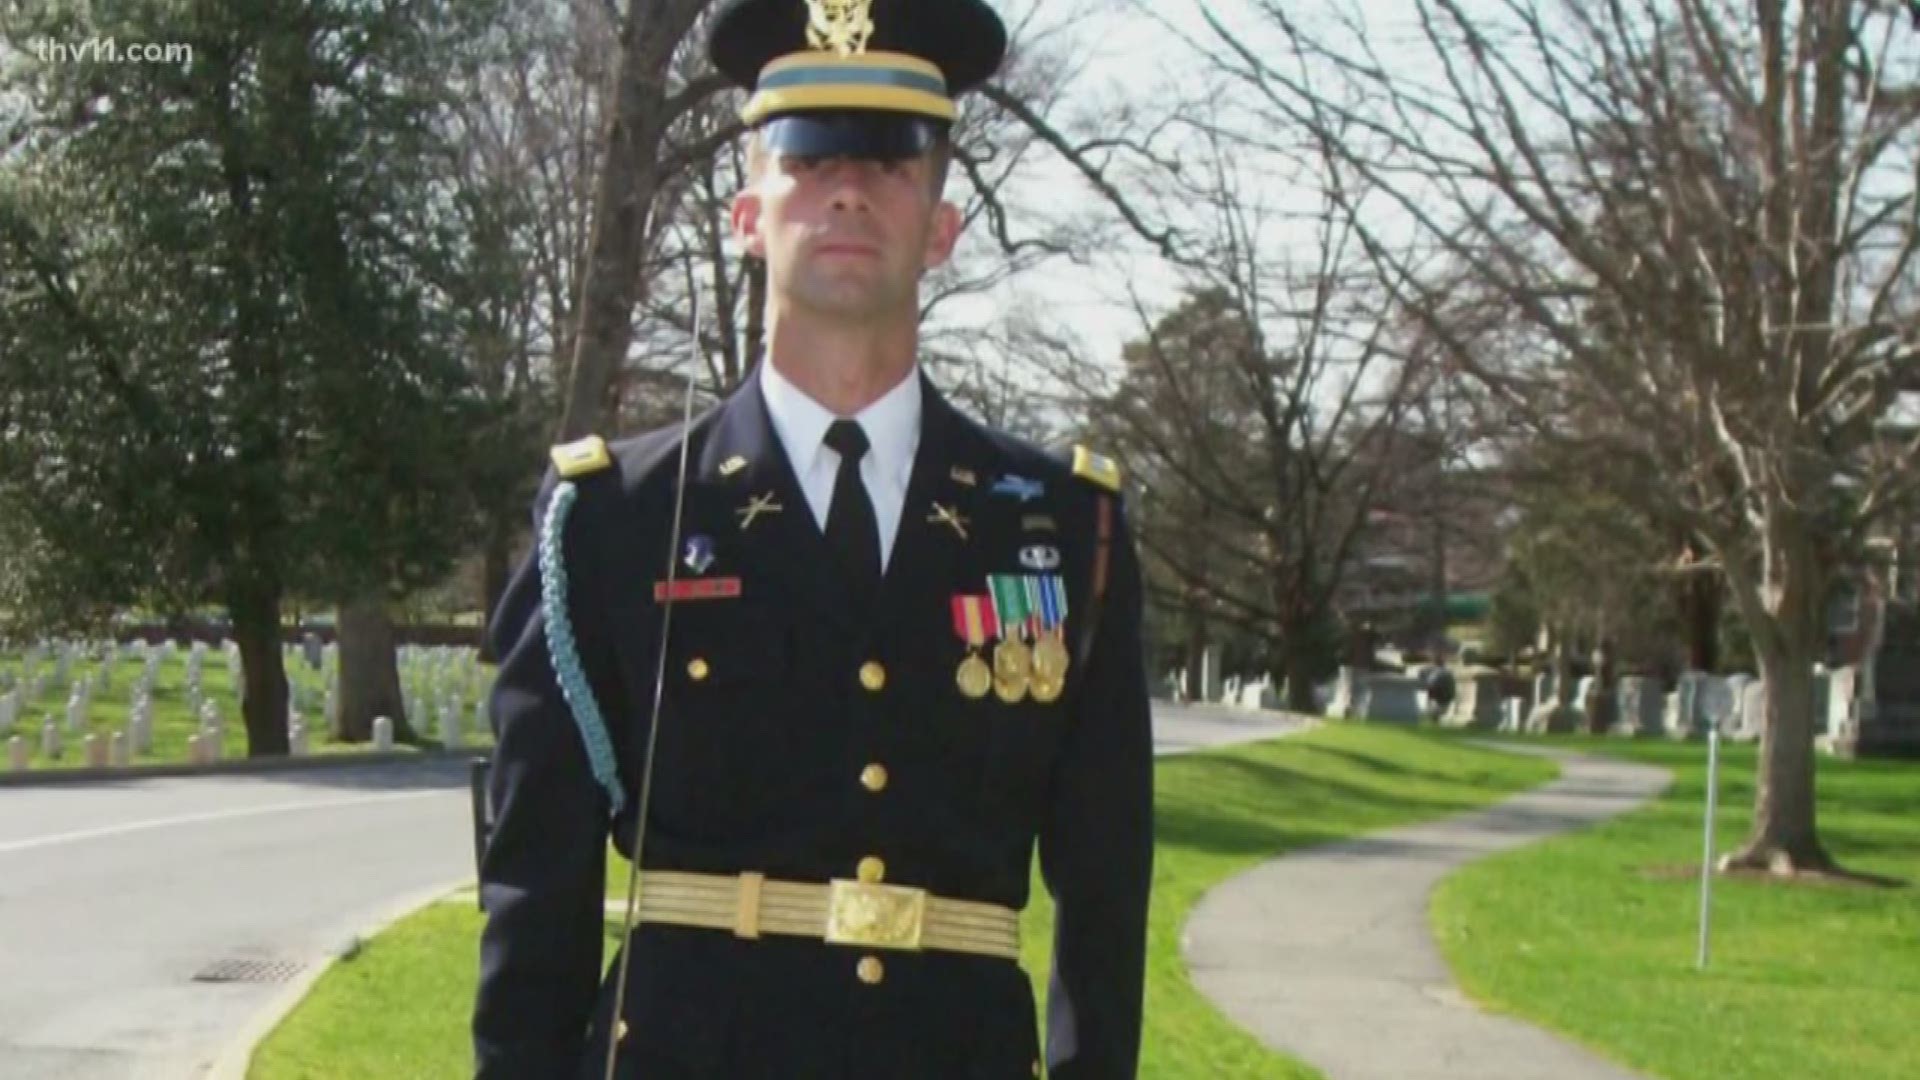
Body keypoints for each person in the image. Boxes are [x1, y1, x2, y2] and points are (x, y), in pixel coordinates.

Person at [470, 1, 1154, 1078]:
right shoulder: (616, 519)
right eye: (808, 153)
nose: (846, 187)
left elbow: (1106, 896)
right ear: (750, 214)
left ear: (940, 226)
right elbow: (533, 894)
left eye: (888, 158)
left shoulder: (1067, 528)